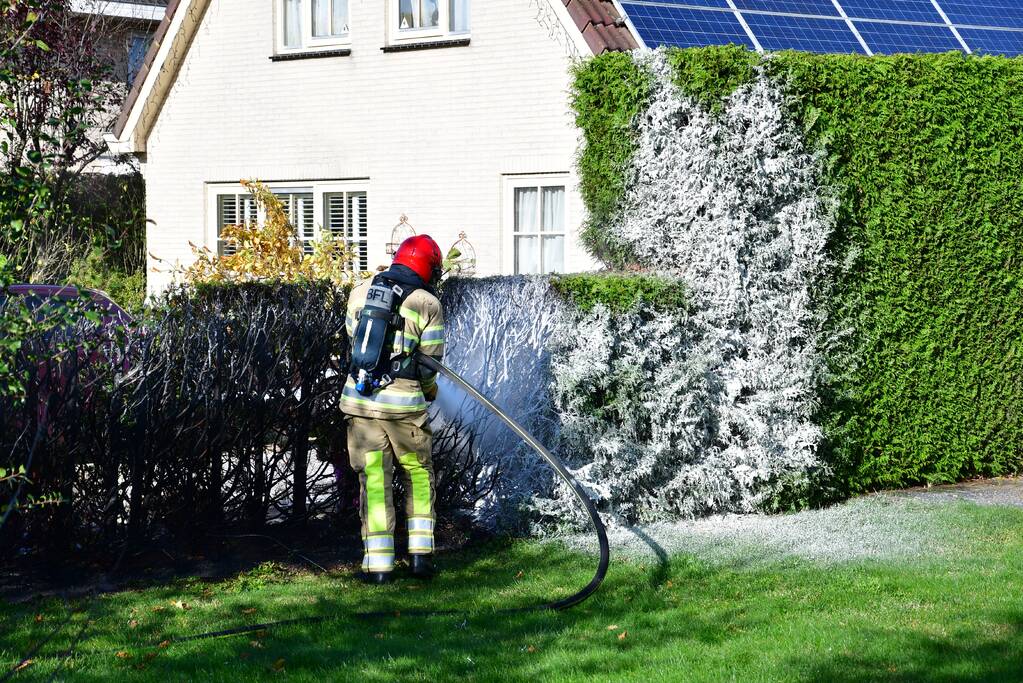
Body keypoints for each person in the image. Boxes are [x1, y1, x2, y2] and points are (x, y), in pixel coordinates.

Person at [342, 235, 446, 584]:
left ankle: (378, 566)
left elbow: (355, 343)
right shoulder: (427, 302)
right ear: (428, 268)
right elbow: (430, 363)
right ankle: (420, 559)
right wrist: (428, 391)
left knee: (373, 480)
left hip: (362, 405)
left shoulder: (360, 291)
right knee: (417, 475)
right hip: (405, 411)